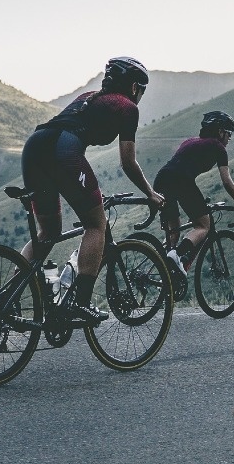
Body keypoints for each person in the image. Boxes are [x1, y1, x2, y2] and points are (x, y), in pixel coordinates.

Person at [20, 56, 164, 325]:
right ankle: (80, 304)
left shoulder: (91, 96)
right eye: (141, 91)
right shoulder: (128, 107)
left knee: (48, 232)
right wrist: (150, 193)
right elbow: (128, 162)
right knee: (96, 224)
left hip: (35, 147)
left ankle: (10, 298)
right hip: (63, 150)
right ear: (134, 87)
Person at [154, 110, 234, 280]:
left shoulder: (190, 141)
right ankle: (178, 256)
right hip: (181, 181)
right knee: (204, 225)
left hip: (162, 179)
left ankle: (166, 273)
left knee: (173, 229)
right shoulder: (218, 148)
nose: (229, 138)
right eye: (228, 134)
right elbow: (227, 182)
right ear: (220, 132)